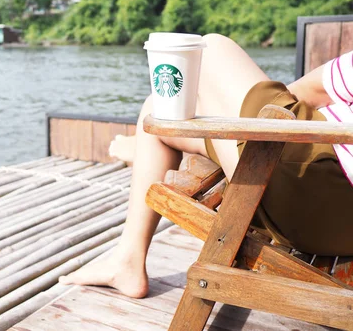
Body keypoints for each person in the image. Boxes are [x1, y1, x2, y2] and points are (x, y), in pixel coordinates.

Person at [59, 33, 353, 298]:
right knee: (159, 109)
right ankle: (127, 260)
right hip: (318, 190)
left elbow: (309, 91)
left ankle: (135, 153)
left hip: (318, 184)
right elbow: (308, 93)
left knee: (210, 47)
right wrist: (226, 105)